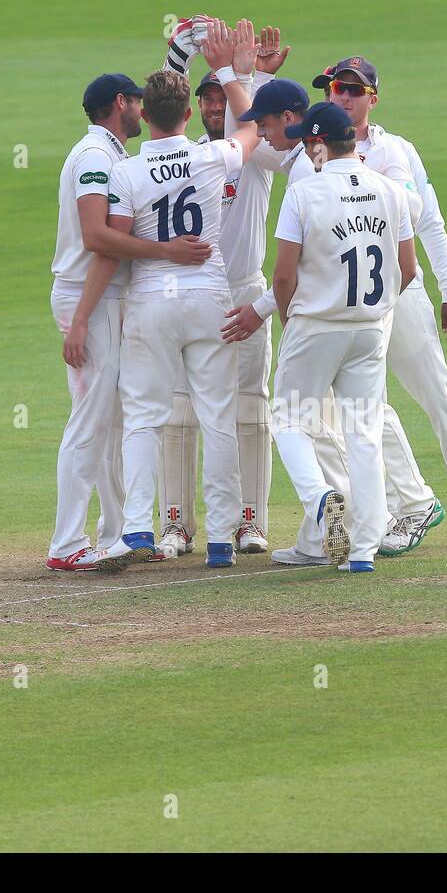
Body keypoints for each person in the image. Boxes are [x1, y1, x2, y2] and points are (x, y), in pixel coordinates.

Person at [65, 21, 264, 572]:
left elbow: (116, 245)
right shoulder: (210, 156)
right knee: (219, 416)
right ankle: (222, 540)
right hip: (211, 298)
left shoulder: (126, 170)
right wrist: (229, 72)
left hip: (152, 303)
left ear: (143, 115)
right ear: (186, 115)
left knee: (145, 417)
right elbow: (253, 129)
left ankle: (135, 529)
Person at [317, 57, 447, 554]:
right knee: (364, 409)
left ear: (372, 99)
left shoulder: (395, 150)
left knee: (438, 398)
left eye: (352, 91)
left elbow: (426, 217)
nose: (342, 97)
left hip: (399, 294)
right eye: (336, 89)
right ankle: (398, 511)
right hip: (345, 303)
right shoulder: (307, 153)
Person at [46, 73, 211, 571]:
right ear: (120, 104)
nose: (144, 110)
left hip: (101, 298)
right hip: (88, 299)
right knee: (92, 421)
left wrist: (179, 54)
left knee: (114, 423)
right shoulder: (96, 158)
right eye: (137, 102)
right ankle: (65, 543)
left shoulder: (111, 154)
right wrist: (165, 252)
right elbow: (97, 239)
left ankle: (117, 534)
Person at [249, 101, 416, 571]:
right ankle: (362, 553)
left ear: (319, 146)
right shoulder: (390, 191)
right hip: (369, 328)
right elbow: (408, 269)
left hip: (316, 325)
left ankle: (321, 499)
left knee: (287, 420)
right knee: (363, 435)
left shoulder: (305, 193)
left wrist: (290, 320)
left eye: (307, 141)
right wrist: (376, 312)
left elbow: (283, 277)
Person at [155, 30, 300, 558]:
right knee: (179, 411)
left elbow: (278, 139)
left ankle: (250, 520)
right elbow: (161, 103)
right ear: (197, 109)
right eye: (208, 100)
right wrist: (180, 53)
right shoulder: (186, 155)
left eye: (223, 98)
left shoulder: (255, 152)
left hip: (243, 290)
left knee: (247, 409)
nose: (217, 106)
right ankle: (175, 522)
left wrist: (253, 75)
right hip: (188, 292)